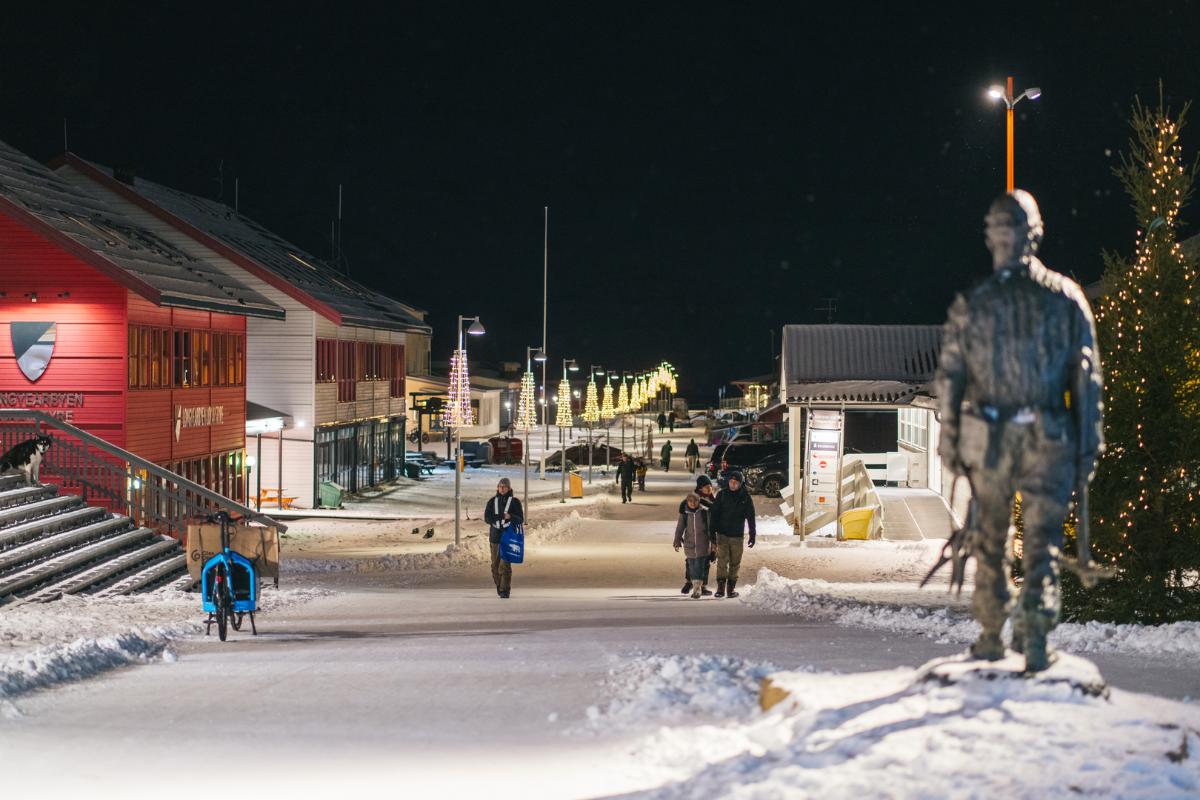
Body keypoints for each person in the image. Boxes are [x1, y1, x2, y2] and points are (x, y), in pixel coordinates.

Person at [933, 190, 1104, 672]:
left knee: (991, 540)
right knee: (1043, 546)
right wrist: (1089, 444)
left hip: (991, 439)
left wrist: (951, 443)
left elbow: (950, 379)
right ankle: (1033, 639)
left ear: (992, 237)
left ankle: (991, 633)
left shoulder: (975, 304)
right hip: (1050, 435)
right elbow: (1086, 379)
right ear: (1038, 234)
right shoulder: (1066, 298)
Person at [708, 470, 756, 598]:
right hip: (722, 535)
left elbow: (751, 517)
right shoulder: (722, 495)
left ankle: (730, 589)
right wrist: (712, 534)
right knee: (722, 562)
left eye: (736, 482)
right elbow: (714, 515)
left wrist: (752, 534)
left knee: (735, 563)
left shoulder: (745, 497)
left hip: (737, 536)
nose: (733, 484)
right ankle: (720, 588)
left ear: (740, 484)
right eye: (731, 482)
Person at [483, 477, 524, 599]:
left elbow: (520, 519)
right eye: (500, 486)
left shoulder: (515, 502)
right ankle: (500, 586)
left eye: (504, 486)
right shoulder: (492, 501)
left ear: (509, 488)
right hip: (495, 538)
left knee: (505, 565)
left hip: (508, 537)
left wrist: (510, 516)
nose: (501, 488)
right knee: (495, 565)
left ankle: (505, 590)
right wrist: (497, 519)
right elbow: (487, 518)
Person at [674, 493, 714, 599]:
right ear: (687, 502)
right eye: (690, 501)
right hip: (689, 544)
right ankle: (696, 585)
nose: (693, 503)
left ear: (699, 502)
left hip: (703, 544)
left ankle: (697, 590)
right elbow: (680, 527)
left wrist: (714, 544)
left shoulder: (704, 513)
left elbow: (710, 529)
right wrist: (677, 540)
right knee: (692, 567)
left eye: (695, 501)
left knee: (699, 567)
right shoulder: (685, 513)